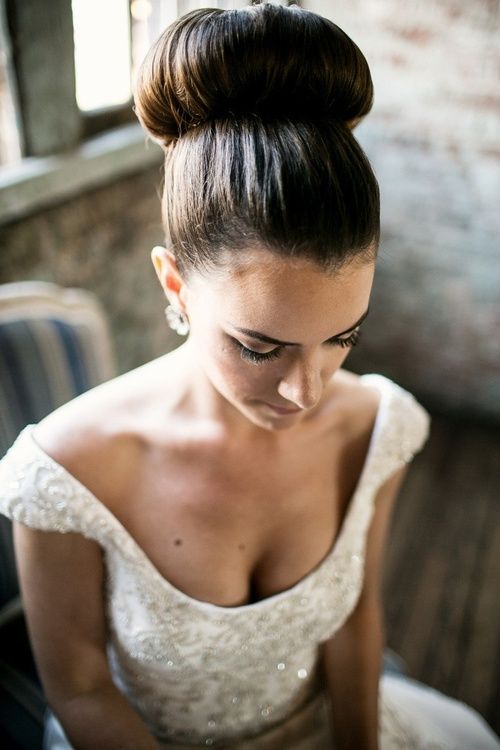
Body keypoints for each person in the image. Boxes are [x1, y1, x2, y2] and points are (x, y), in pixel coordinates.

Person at [0, 3, 499, 749]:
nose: (309, 390)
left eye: (343, 338)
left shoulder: (374, 428)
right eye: (260, 347)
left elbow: (357, 619)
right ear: (174, 286)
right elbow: (79, 686)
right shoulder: (67, 474)